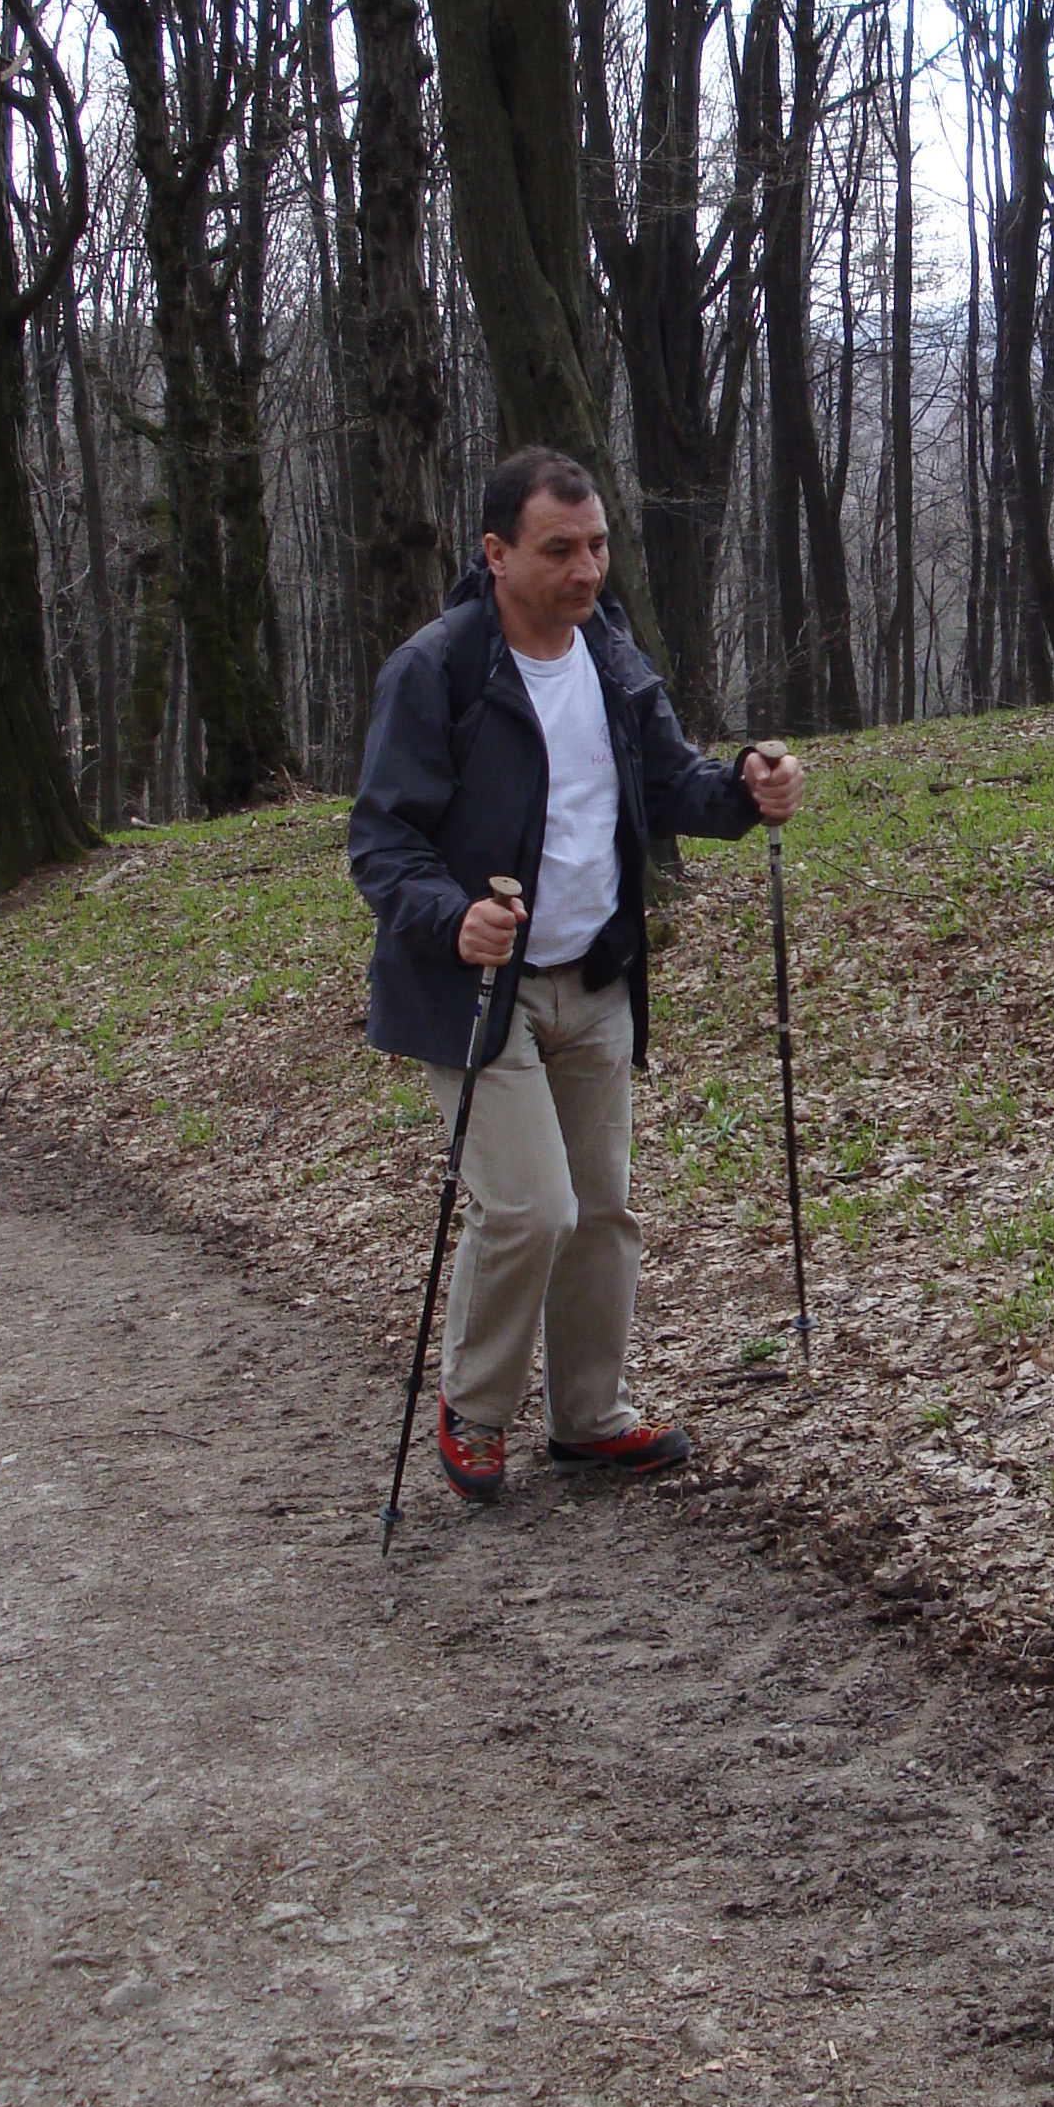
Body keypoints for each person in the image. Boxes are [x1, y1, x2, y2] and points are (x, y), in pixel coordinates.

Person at [349, 448, 805, 1503]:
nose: (588, 569)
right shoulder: (438, 669)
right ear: (497, 552)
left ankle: (589, 1419)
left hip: (595, 974)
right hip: (476, 987)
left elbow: (670, 783)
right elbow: (381, 843)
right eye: (561, 549)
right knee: (530, 1209)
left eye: (597, 545)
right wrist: (453, 917)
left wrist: (746, 789)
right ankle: (474, 1410)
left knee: (601, 1210)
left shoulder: (609, 651)